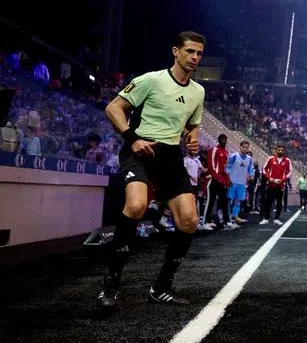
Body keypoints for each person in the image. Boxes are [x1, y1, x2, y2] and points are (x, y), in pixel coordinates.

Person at [97, 31, 206, 311]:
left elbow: (192, 124)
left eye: (199, 53)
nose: (195, 57)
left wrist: (192, 138)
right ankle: (111, 284)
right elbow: (113, 108)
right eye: (190, 51)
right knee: (136, 206)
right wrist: (132, 138)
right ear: (175, 52)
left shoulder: (198, 91)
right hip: (140, 150)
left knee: (189, 221)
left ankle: (161, 288)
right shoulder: (151, 80)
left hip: (170, 156)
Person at [208, 134, 234, 230]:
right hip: (215, 180)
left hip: (223, 181)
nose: (224, 141)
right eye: (222, 139)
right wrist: (217, 178)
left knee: (224, 201)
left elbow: (226, 168)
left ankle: (226, 221)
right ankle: (206, 221)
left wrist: (228, 180)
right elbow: (211, 165)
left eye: (225, 139)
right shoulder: (214, 150)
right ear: (219, 140)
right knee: (211, 200)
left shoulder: (226, 152)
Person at [261, 145, 291, 225]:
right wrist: (269, 178)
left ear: (284, 151)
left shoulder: (287, 160)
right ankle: (266, 218)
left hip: (280, 185)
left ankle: (277, 219)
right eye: (279, 150)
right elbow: (264, 169)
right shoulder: (271, 158)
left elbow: (289, 171)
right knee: (268, 202)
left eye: (282, 150)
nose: (280, 151)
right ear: (276, 150)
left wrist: (282, 180)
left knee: (279, 202)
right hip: (271, 184)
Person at [226, 140, 255, 223]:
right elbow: (227, 167)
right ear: (240, 147)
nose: (245, 149)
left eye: (247, 147)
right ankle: (227, 217)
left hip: (242, 183)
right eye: (243, 147)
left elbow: (250, 169)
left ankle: (235, 217)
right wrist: (228, 178)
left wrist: (251, 176)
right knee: (230, 200)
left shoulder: (249, 159)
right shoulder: (234, 156)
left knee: (238, 201)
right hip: (232, 182)